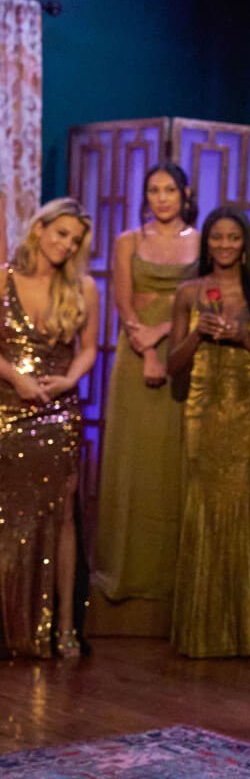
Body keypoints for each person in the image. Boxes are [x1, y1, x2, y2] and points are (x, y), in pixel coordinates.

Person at [168, 205, 250, 658]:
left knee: (240, 506)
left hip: (247, 405)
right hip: (201, 404)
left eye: (232, 238)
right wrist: (199, 333)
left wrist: (245, 339)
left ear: (244, 246)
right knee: (201, 504)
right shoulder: (188, 292)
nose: (223, 245)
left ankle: (241, 633)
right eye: (216, 237)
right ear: (206, 243)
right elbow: (173, 365)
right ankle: (197, 631)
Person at [94, 163, 199, 602]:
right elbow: (123, 303)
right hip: (135, 359)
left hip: (181, 355)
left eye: (169, 190)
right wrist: (149, 348)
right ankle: (122, 573)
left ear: (185, 193)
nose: (161, 198)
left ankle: (171, 579)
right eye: (153, 190)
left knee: (172, 464)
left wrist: (164, 339)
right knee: (131, 460)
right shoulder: (127, 240)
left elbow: (201, 300)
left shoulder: (198, 242)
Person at [0, 198, 98, 659]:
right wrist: (16, 378)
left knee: (61, 517)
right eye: (61, 233)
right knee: (8, 517)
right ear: (39, 229)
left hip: (59, 411)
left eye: (74, 240)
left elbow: (89, 349)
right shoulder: (3, 278)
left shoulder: (83, 287)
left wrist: (70, 380)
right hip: (7, 406)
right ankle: (11, 628)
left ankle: (62, 630)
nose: (66, 245)